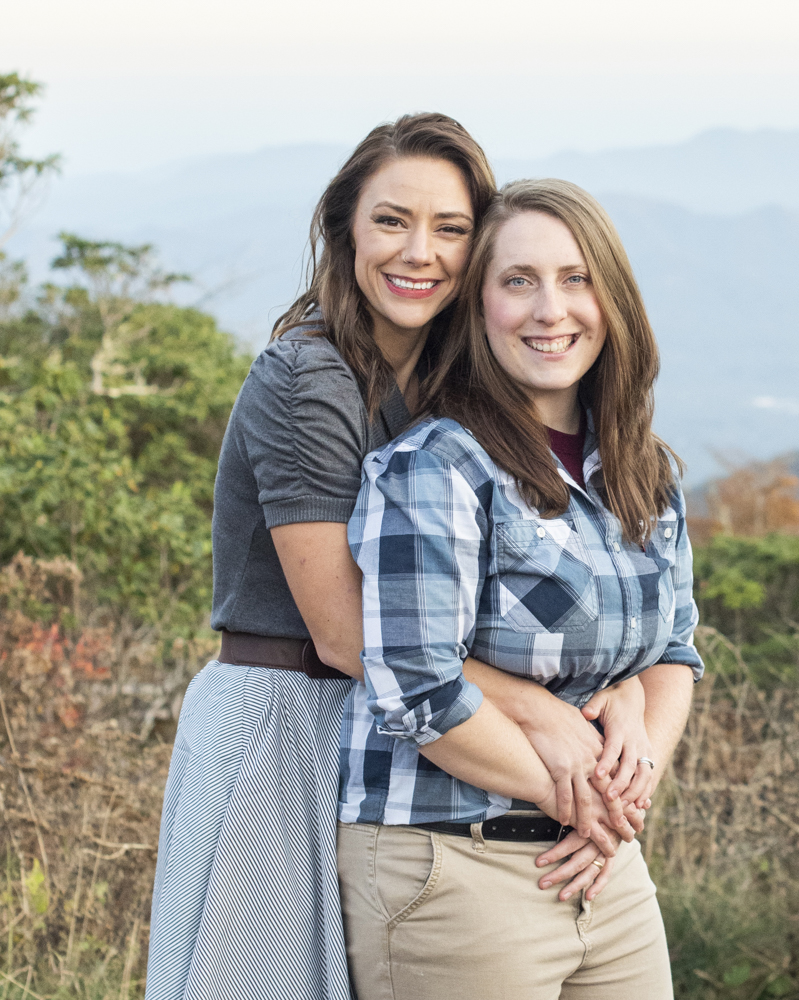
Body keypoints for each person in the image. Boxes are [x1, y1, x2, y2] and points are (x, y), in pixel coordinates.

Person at [147, 115, 647, 1000]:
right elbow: (348, 635)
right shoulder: (310, 380)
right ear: (344, 230)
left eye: (450, 230)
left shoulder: (445, 383)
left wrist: (632, 693)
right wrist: (539, 711)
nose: (419, 253)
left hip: (387, 734)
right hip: (287, 721)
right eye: (391, 221)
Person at [337, 177, 702, 999]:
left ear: (613, 299)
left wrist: (636, 749)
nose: (551, 310)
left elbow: (675, 650)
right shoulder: (436, 466)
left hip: (604, 867)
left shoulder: (642, 470)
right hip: (450, 864)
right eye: (518, 281)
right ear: (478, 308)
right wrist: (574, 798)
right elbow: (418, 685)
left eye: (576, 279)